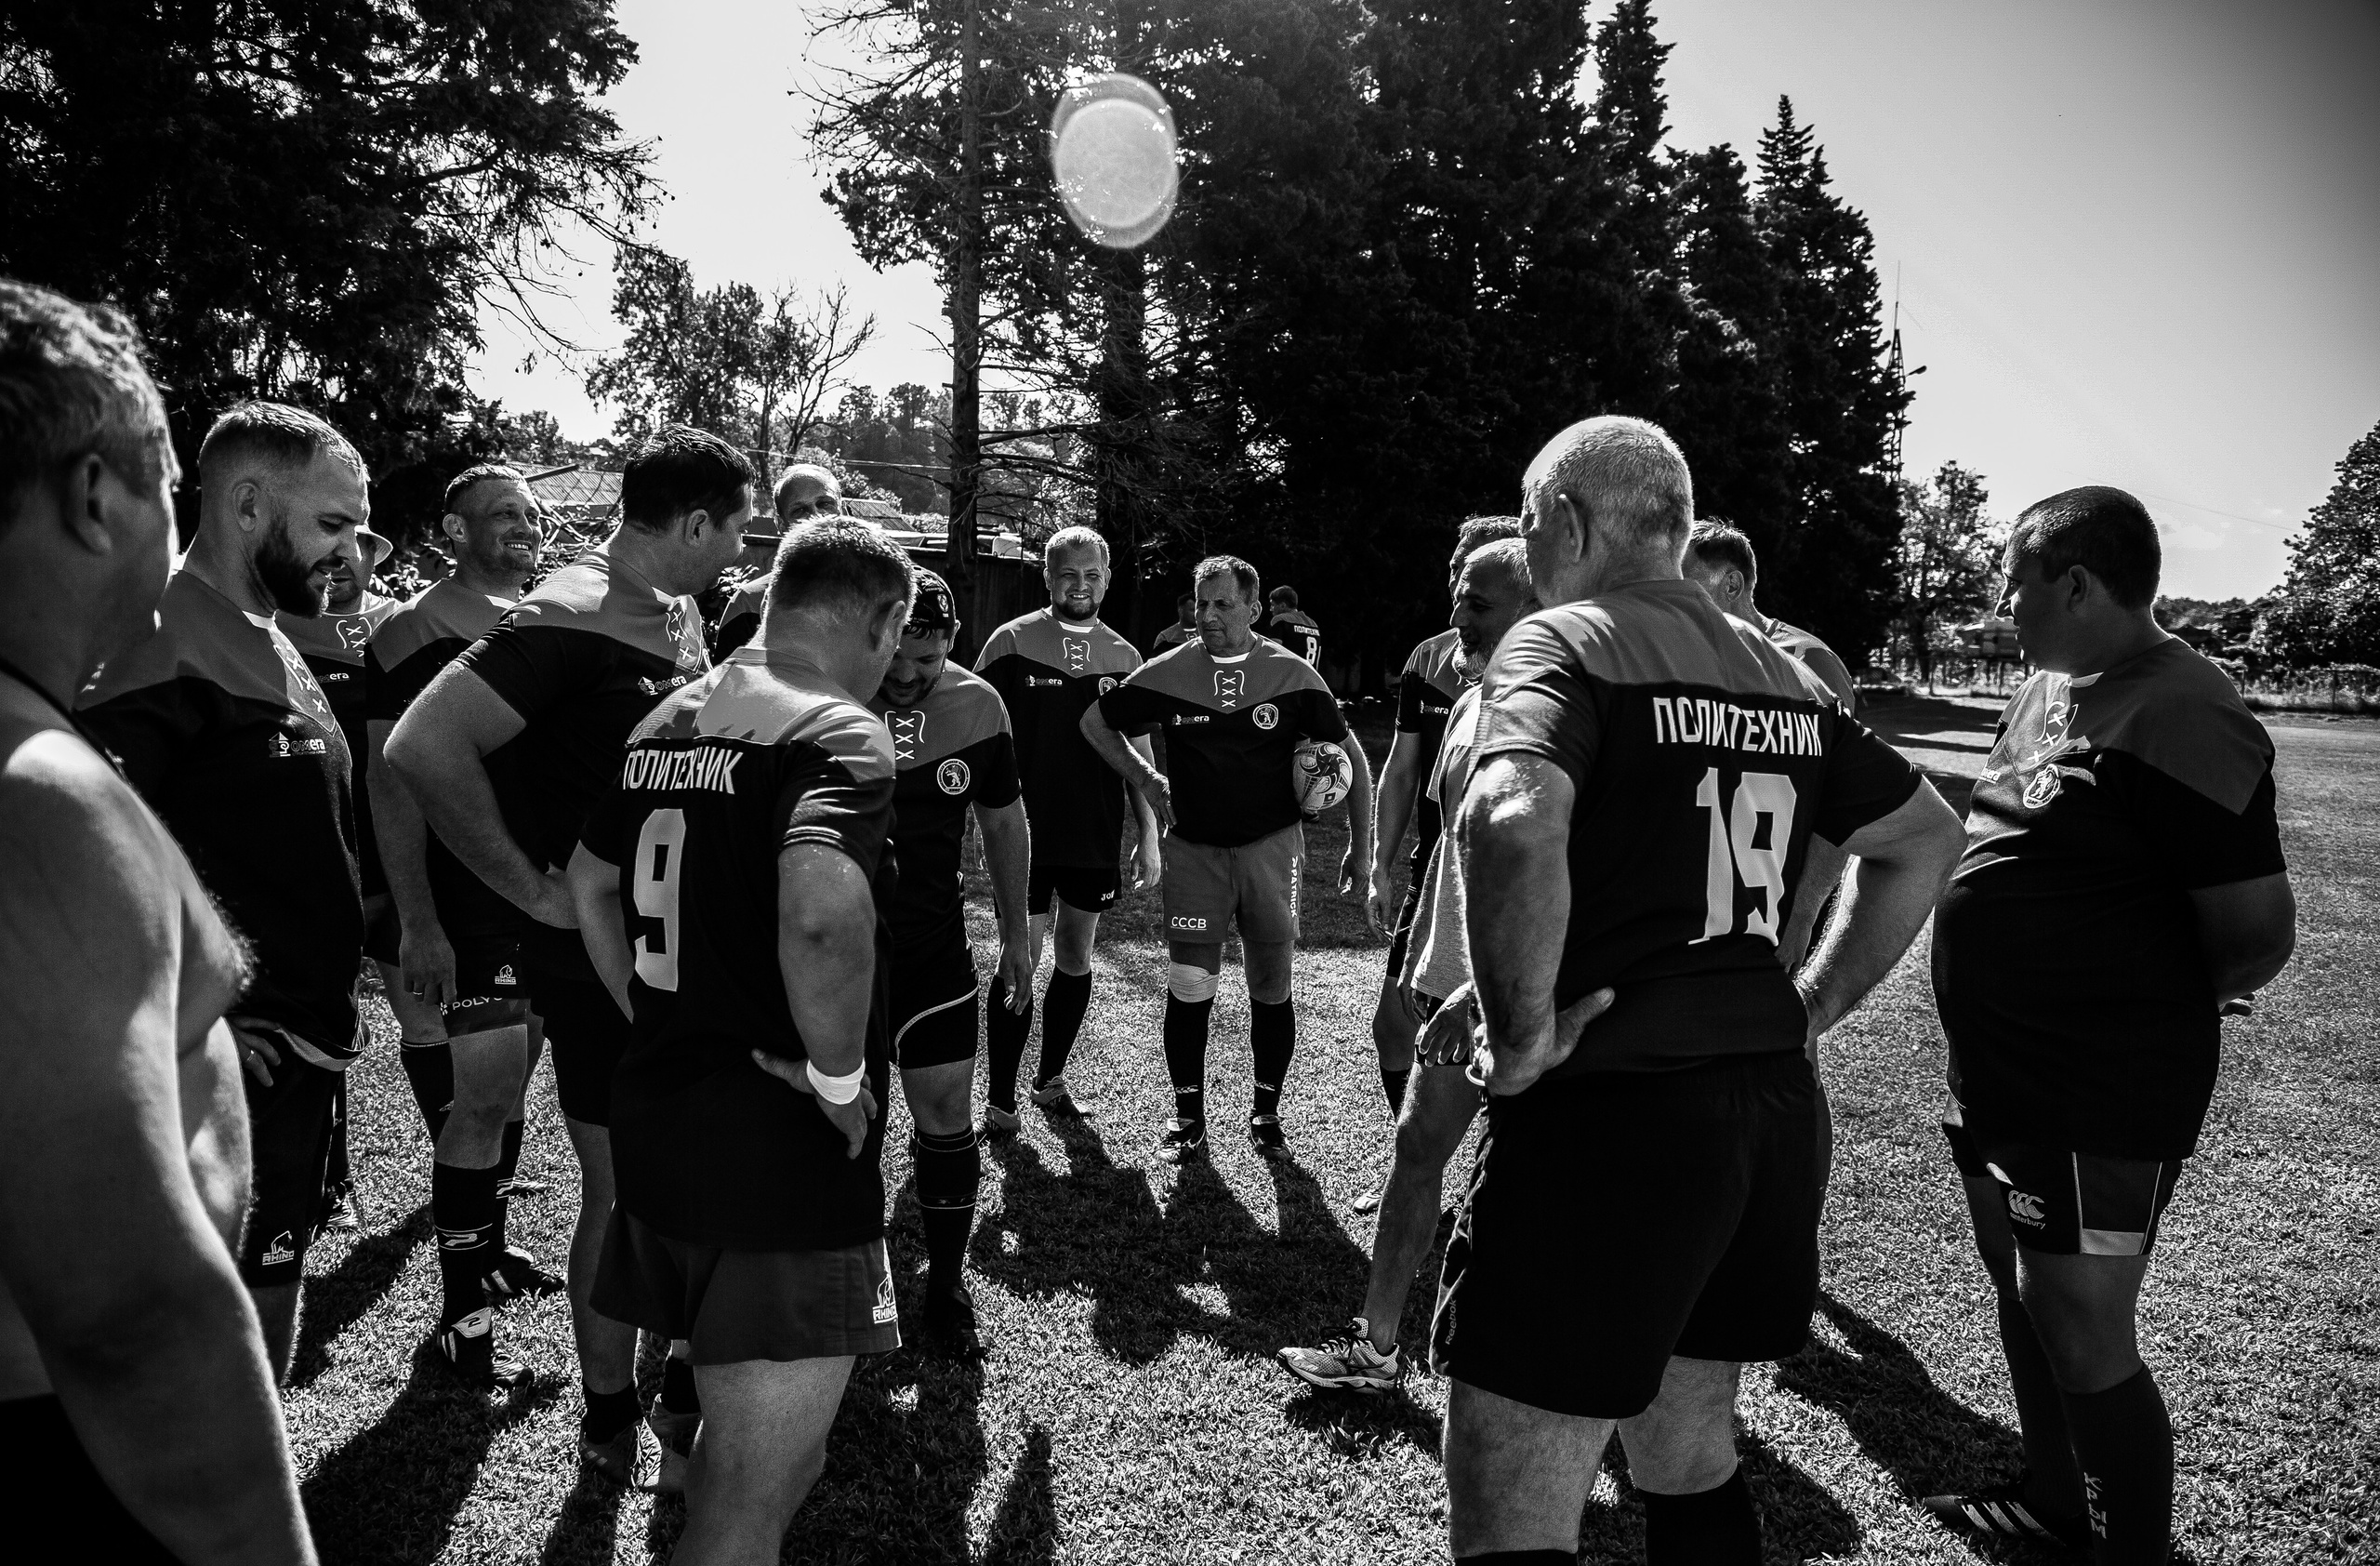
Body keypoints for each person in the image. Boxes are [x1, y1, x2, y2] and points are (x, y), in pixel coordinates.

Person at [1436, 416, 1965, 1565]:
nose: (1526, 550)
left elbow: (1510, 818)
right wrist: (1807, 1004)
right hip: (1758, 1117)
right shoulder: (1780, 669)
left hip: (1612, 1117)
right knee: (1686, 1450)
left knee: (1512, 1492)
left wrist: (1518, 1037)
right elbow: (1925, 835)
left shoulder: (1566, 639)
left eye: (1527, 524)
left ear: (1566, 520)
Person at [0, 278, 316, 1565]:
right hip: (70, 1457)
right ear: (96, 497)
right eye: (171, 490)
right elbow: (130, 1310)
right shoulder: (33, 796)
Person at [1922, 487, 2294, 1563]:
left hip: (2096, 1080)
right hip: (2000, 1066)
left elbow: (2254, 932)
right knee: (2027, 1288)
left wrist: (2139, 997)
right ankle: (2052, 1499)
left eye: (2015, 584)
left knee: (2082, 1324)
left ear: (2077, 584)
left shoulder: (2184, 707)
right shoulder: (2045, 689)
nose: (2002, 606)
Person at [387, 428, 751, 1447]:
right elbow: (423, 743)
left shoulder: (677, 608)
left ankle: (673, 1376)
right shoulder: (572, 610)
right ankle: (609, 1412)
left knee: (681, 1174)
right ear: (693, 525)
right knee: (623, 1188)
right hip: (593, 957)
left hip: (668, 947)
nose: (741, 550)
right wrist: (535, 891)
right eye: (735, 529)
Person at [566, 518, 912, 1564]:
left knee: (752, 1464)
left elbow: (589, 883)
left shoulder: (667, 716)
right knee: (748, 1507)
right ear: (881, 622)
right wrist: (840, 1079)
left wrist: (657, 1013)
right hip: (778, 1155)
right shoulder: (838, 727)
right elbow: (822, 914)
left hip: (663, 1125)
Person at [80, 398, 372, 1382]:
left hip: (296, 1056)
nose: (349, 553)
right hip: (223, 1065)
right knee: (196, 1341)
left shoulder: (275, 634)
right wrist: (189, 1024)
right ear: (248, 505)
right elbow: (69, 857)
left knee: (266, 1301)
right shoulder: (152, 635)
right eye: (332, 523)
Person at [1279, 536, 1537, 1392]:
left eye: (1479, 603)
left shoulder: (1574, 714)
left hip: (1531, 993)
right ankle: (1376, 1349)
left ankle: (1564, 1380)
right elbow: (1452, 853)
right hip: (1450, 982)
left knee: (1541, 1189)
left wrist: (1487, 986)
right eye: (1458, 597)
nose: (1458, 617)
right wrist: (1426, 959)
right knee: (1417, 1149)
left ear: (1539, 606)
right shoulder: (1469, 706)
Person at [1082, 554, 1377, 1163]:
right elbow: (1095, 722)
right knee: (1190, 985)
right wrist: (1148, 780)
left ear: (1254, 608)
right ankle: (1187, 1118)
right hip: (1195, 853)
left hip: (1272, 850)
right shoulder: (1169, 670)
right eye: (1200, 603)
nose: (1208, 616)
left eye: (1222, 604)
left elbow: (1351, 759)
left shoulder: (1292, 675)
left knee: (1271, 983)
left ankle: (1266, 1115)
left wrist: (1362, 849)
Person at [365, 464, 558, 1390]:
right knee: (481, 1099)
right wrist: (417, 918)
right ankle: (461, 1322)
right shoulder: (413, 628)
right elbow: (390, 776)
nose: (526, 525)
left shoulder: (544, 618)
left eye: (532, 513)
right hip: (464, 902)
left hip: (539, 896)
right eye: (503, 513)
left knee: (511, 1090)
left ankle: (494, 1251)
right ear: (453, 529)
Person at [866, 569, 1031, 1350]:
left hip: (933, 953)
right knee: (849, 1126)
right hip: (837, 958)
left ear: (952, 643)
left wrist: (1018, 936)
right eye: (892, 658)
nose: (904, 677)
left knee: (945, 1120)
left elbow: (1003, 823)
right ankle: (851, 1280)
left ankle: (946, 1286)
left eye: (925, 662)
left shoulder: (979, 705)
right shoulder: (825, 694)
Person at [972, 525, 1162, 1128]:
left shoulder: (1126, 658)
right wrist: (977, 820)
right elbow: (978, 735)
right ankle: (1001, 1101)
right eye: (1067, 574)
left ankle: (1050, 1079)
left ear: (1106, 580)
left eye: (1091, 575)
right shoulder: (1009, 642)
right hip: (1021, 836)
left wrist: (1148, 834)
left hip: (1093, 834)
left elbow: (1138, 754)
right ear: (1048, 578)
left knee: (1076, 954)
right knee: (1019, 957)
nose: (1080, 585)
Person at [1352, 515, 1521, 1190]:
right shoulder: (1432, 660)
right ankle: (1421, 1166)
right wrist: (1378, 862)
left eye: (1475, 583)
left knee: (1502, 1046)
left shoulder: (1554, 676)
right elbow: (1401, 767)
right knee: (1397, 1026)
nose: (1458, 597)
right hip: (1440, 871)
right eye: (1456, 572)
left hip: (1508, 884)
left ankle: (1461, 1176)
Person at [278, 522, 397, 1230]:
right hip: (316, 854)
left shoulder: (402, 626)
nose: (341, 559)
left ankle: (477, 1173)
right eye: (328, 547)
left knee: (438, 1020)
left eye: (356, 545)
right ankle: (332, 1176)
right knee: (324, 1017)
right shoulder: (276, 631)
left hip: (395, 854)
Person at [1681, 518, 1859, 713]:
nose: (1670, 597)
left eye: (1684, 585)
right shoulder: (1692, 659)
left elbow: (1841, 733)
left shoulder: (1812, 659)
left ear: (1732, 585)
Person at [712, 465, 843, 660]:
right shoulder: (749, 604)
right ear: (781, 524)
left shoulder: (879, 593)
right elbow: (729, 679)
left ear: (842, 510)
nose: (816, 516)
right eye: (800, 510)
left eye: (825, 504)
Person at [1265, 584, 1322, 666]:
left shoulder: (1281, 619)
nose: (1271, 609)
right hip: (1311, 672)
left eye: (1273, 605)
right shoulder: (1313, 624)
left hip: (1289, 672)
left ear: (1283, 605)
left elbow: (1273, 652)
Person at [1151, 591, 1197, 655]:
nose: (1196, 614)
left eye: (1197, 610)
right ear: (1181, 611)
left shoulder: (1206, 633)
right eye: (1192, 610)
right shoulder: (1166, 637)